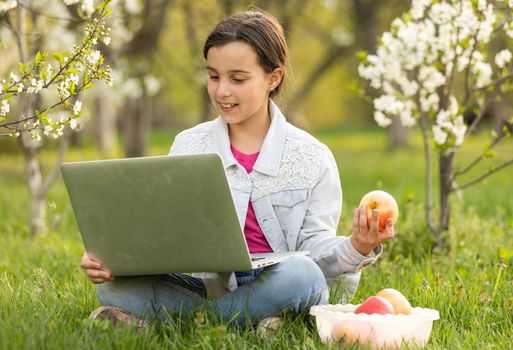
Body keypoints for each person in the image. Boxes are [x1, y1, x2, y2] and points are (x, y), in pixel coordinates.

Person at [80, 10, 394, 331]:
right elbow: (165, 235)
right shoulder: (189, 145)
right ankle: (251, 322)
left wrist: (357, 246)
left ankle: (187, 323)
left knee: (304, 275)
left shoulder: (312, 157)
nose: (222, 91)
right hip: (211, 288)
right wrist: (116, 259)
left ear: (274, 78)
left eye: (238, 79)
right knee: (112, 287)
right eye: (214, 76)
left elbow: (316, 250)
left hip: (281, 282)